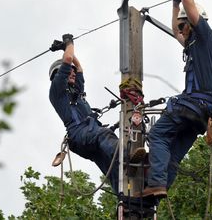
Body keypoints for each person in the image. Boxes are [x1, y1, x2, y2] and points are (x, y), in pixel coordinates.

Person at [136, 0, 212, 198]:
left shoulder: (206, 38)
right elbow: (175, 32)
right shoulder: (193, 46)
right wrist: (175, 5)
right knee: (173, 153)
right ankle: (156, 193)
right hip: (200, 114)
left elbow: (187, 1)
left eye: (184, 25)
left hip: (193, 106)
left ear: (193, 23)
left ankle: (155, 183)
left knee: (157, 134)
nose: (181, 30)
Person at [49, 34, 145, 194]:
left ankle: (125, 198)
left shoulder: (76, 90)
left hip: (87, 136)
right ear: (58, 75)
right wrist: (68, 44)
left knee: (110, 163)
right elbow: (67, 60)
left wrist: (67, 50)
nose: (73, 73)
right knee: (104, 135)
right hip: (79, 133)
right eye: (69, 72)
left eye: (72, 72)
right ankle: (127, 158)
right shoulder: (57, 90)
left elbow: (78, 67)